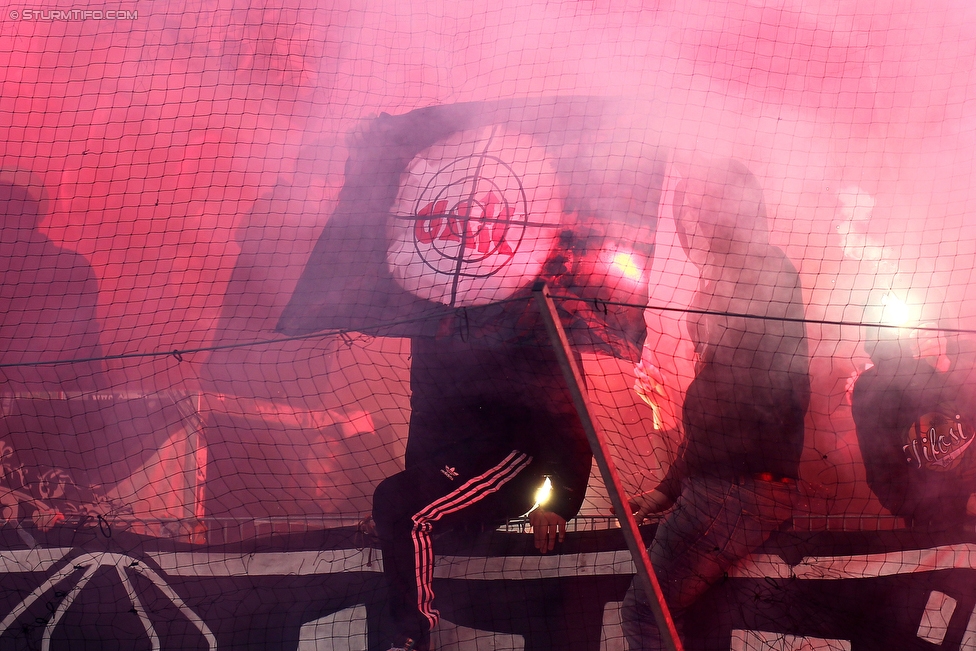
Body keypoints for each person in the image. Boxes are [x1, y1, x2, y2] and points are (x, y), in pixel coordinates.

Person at [621, 158, 810, 650]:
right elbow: (711, 413)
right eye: (688, 211)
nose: (691, 222)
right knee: (690, 616)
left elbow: (734, 403)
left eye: (701, 207)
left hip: (736, 487)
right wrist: (666, 490)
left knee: (646, 613)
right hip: (730, 485)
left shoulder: (758, 268)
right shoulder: (728, 278)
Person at [370, 332, 593, 651]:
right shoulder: (434, 317)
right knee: (392, 501)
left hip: (509, 453)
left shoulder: (530, 313)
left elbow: (571, 410)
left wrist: (561, 500)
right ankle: (407, 635)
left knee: (404, 511)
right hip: (453, 456)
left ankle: (411, 637)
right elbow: (424, 405)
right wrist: (412, 490)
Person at [852, 326, 976, 531]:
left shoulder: (868, 384)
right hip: (936, 494)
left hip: (919, 496)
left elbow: (875, 453)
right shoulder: (872, 384)